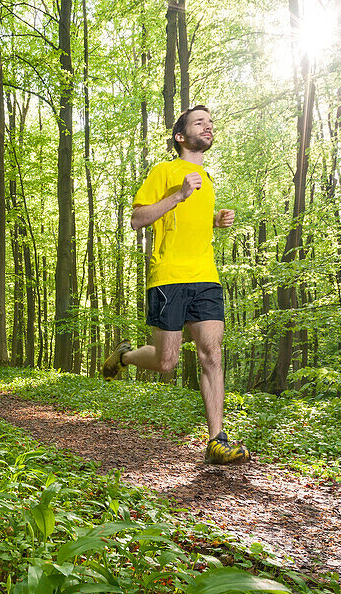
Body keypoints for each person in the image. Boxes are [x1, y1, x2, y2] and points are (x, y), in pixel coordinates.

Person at [102, 105, 250, 465]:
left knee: (211, 355)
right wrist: (179, 195)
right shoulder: (165, 171)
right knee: (166, 362)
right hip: (168, 276)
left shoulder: (209, 180)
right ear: (181, 136)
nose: (209, 125)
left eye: (210, 122)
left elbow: (190, 224)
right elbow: (138, 219)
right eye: (200, 122)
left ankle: (217, 440)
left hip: (206, 277)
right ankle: (124, 357)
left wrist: (215, 220)